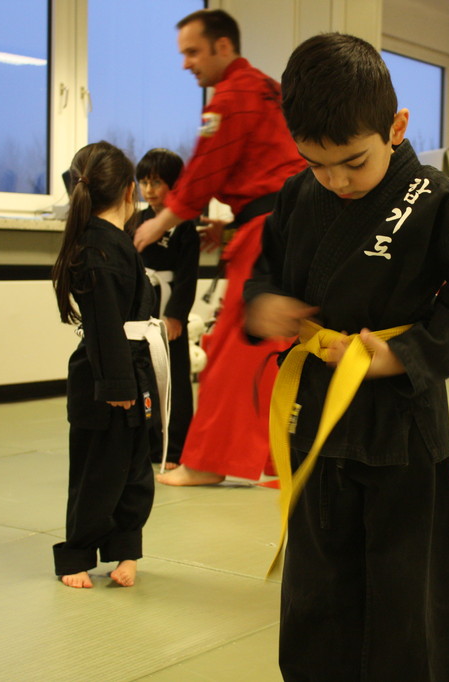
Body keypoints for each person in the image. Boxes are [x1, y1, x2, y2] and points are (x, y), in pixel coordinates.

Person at [244, 33, 449, 681]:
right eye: (315, 163)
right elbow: (267, 271)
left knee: (404, 595)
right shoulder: (300, 196)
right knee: (315, 589)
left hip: (399, 423)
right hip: (316, 420)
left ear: (396, 128)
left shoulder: (434, 198)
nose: (334, 180)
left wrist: (409, 354)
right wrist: (266, 304)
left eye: (352, 163)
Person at [135, 9, 308, 486]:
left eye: (192, 52)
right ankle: (277, 455)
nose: (186, 63)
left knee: (234, 341)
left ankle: (208, 462)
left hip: (268, 230)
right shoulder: (266, 90)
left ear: (223, 47)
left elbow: (208, 166)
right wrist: (231, 221)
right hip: (286, 225)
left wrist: (161, 220)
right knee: (277, 345)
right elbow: (263, 168)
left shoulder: (233, 95)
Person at [50, 141, 157, 589]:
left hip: (133, 369)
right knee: (98, 471)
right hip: (107, 378)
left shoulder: (114, 243)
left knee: (135, 469)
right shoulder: (97, 249)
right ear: (130, 191)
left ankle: (124, 551)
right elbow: (103, 326)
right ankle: (76, 556)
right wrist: (116, 385)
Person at [127, 148, 200, 469]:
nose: (149, 189)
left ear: (174, 185)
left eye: (156, 181)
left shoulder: (183, 225)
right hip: (142, 302)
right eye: (143, 182)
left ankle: (177, 449)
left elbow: (188, 276)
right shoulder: (137, 220)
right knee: (143, 375)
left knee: (176, 379)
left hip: (169, 304)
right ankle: (151, 445)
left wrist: (176, 315)